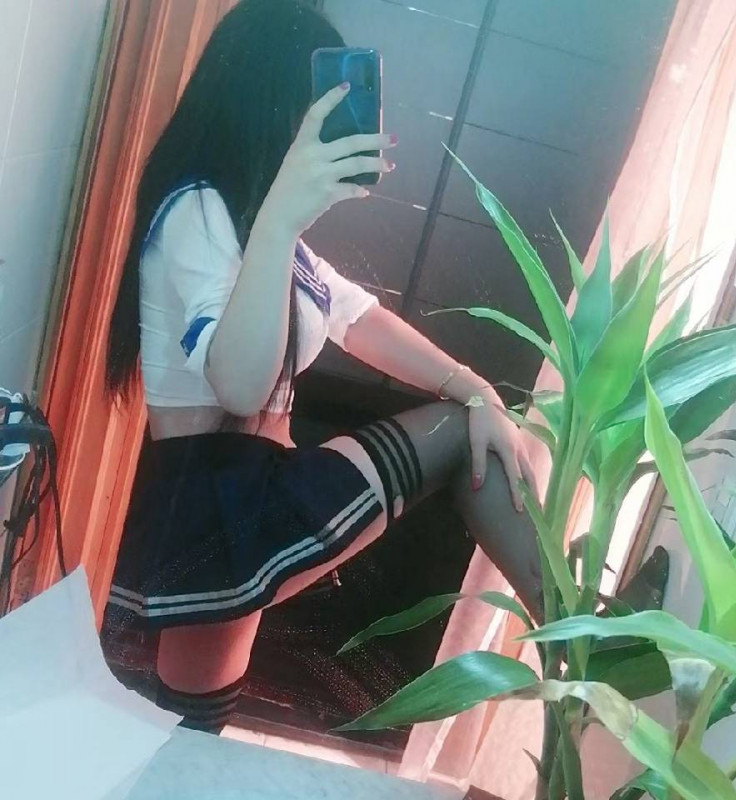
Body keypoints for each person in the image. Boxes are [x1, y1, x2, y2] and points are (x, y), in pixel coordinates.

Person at [106, 0, 542, 734]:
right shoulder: (198, 211)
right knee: (452, 433)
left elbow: (356, 316)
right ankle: (581, 637)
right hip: (215, 499)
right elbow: (240, 384)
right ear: (270, 101)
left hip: (246, 492)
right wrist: (282, 215)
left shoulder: (264, 231)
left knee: (187, 725)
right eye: (317, 107)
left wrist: (476, 387)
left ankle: (580, 636)